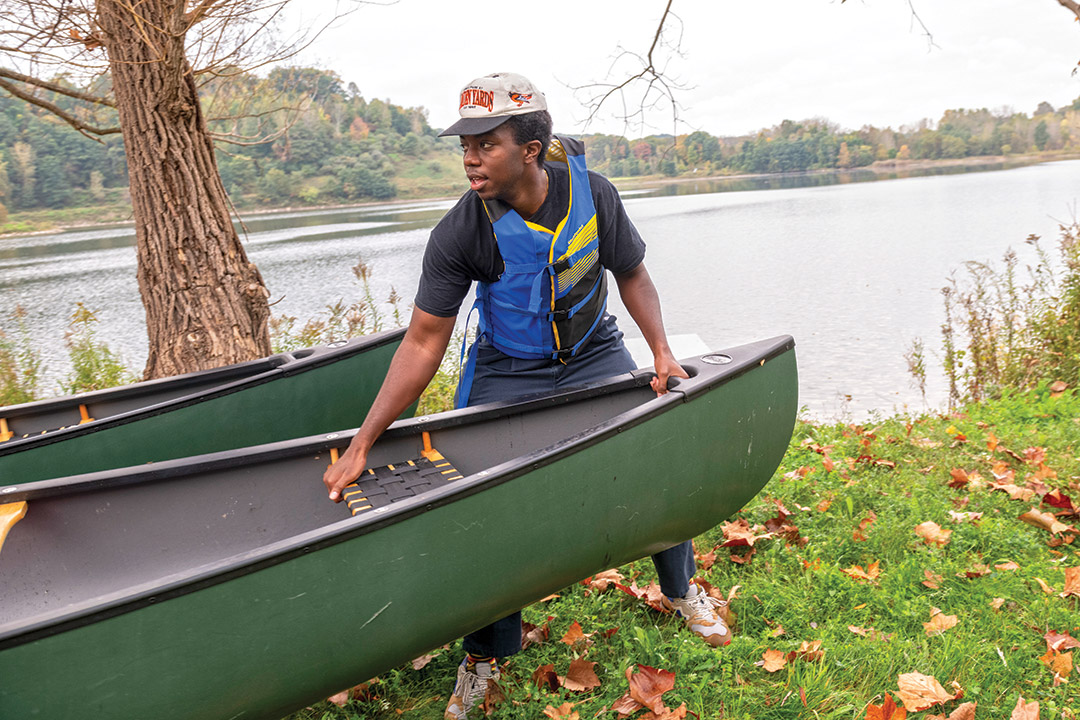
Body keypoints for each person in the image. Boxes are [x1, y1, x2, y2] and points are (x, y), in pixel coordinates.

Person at [322, 72, 730, 720]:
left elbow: (632, 274)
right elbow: (424, 343)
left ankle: (681, 589)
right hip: (508, 367)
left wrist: (659, 351)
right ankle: (484, 654)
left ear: (531, 148)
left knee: (654, 449)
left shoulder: (594, 193)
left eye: (485, 142)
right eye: (464, 144)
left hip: (594, 352)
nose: (470, 157)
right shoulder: (461, 231)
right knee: (487, 501)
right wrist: (363, 441)